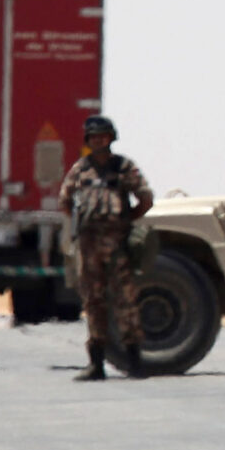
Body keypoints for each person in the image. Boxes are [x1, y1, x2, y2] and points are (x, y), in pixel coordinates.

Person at [59, 114, 154, 381]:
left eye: (103, 136)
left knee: (126, 303)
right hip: (89, 248)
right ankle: (96, 364)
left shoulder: (124, 167)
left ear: (111, 138)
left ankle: (135, 363)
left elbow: (146, 198)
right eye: (94, 137)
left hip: (117, 247)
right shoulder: (81, 169)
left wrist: (126, 221)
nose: (99, 141)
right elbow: (64, 200)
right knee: (94, 303)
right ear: (87, 141)